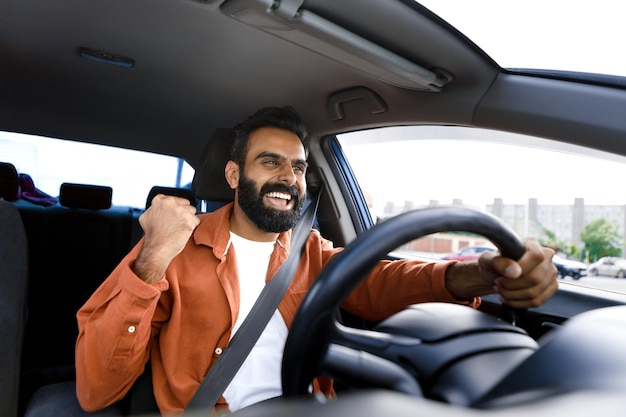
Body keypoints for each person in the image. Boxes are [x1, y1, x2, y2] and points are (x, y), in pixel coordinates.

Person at [75, 106, 557, 415]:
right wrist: (154, 254)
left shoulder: (307, 250)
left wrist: (475, 274)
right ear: (232, 173)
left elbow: (380, 281)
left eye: (299, 167)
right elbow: (96, 388)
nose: (290, 178)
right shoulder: (173, 248)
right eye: (271, 162)